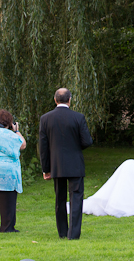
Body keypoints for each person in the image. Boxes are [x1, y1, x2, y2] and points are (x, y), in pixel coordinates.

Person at [39, 88, 93, 240]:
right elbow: (87, 141)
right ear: (70, 100)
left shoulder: (45, 119)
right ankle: (73, 234)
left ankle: (62, 232)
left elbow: (43, 147)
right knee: (76, 198)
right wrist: (76, 147)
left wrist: (46, 168)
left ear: (55, 100)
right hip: (75, 164)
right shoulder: (78, 117)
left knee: (60, 199)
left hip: (56, 165)